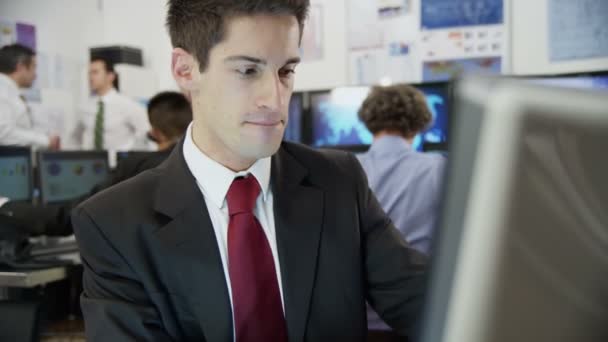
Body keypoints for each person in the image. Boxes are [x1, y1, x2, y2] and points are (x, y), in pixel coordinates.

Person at [72, 1, 428, 341]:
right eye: (247, 70)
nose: (274, 99)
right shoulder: (114, 223)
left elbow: (429, 305)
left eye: (286, 71)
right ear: (185, 70)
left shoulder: (338, 181)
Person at [0, 91, 192, 237]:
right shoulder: (199, 164)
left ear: (155, 133)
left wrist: (6, 206)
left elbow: (72, 217)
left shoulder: (137, 166)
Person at [357, 84, 447, 335]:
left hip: (355, 322)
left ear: (369, 121)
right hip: (418, 319)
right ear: (419, 122)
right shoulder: (438, 169)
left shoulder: (343, 171)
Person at [72, 57, 151, 151]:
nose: (90, 77)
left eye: (95, 72)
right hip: (93, 162)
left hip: (121, 162)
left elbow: (146, 133)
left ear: (111, 76)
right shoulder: (84, 107)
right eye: (89, 73)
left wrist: (130, 156)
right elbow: (74, 138)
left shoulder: (128, 105)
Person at [0, 44, 60, 150]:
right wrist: (45, 141)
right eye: (33, 67)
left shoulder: (9, 91)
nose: (35, 75)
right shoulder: (2, 90)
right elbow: (3, 132)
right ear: (21, 67)